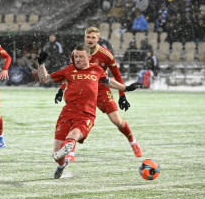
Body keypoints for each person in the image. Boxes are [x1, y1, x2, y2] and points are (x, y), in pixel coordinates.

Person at [37, 44, 139, 179]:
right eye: (75, 56)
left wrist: (125, 88)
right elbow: (44, 79)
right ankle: (62, 164)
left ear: (89, 57)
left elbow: (108, 82)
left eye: (81, 56)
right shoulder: (69, 70)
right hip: (67, 112)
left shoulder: (96, 70)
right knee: (56, 154)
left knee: (73, 136)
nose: (77, 59)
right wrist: (41, 63)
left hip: (86, 114)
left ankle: (69, 147)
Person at [55, 27, 143, 162]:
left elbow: (116, 74)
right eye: (88, 37)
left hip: (101, 89)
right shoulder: (78, 53)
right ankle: (71, 152)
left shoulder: (106, 55)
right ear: (84, 37)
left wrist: (122, 95)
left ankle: (133, 142)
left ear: (98, 39)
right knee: (73, 116)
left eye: (93, 37)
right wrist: (62, 89)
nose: (90, 40)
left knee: (117, 121)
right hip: (81, 90)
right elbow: (70, 72)